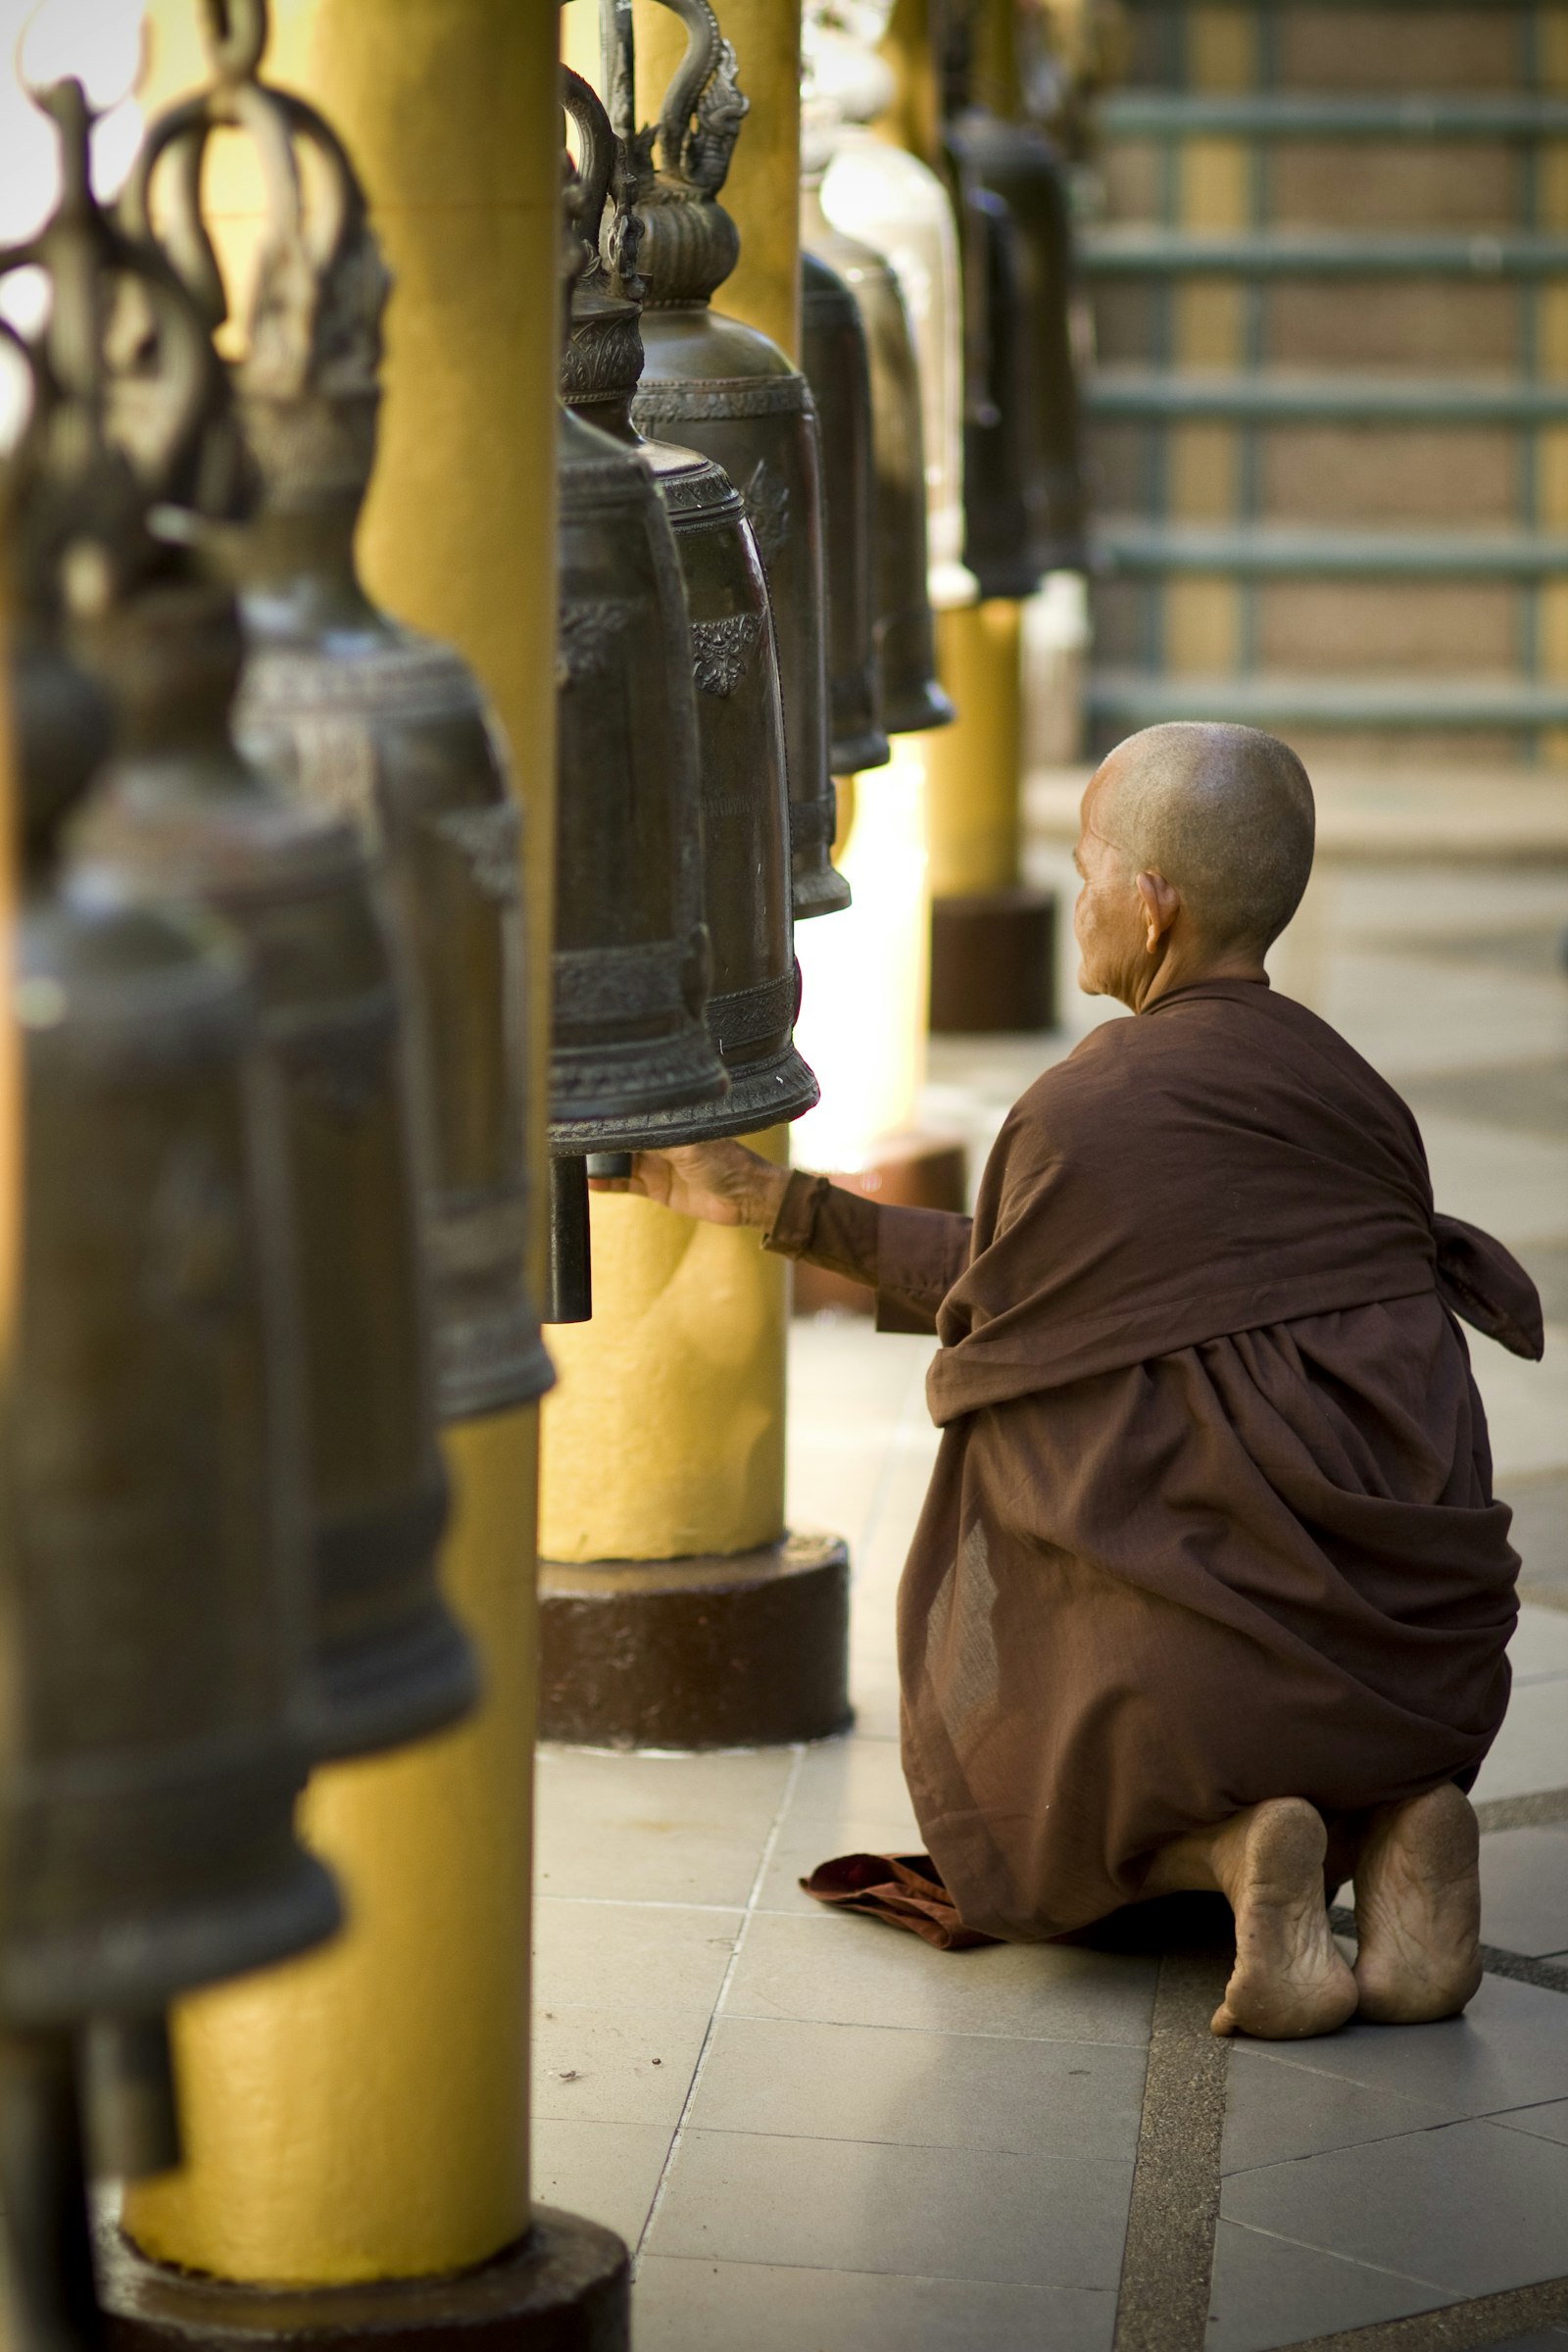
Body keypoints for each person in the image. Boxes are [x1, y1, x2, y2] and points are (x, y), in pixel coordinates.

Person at [592, 723, 1543, 2040]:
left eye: (1087, 864)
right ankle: (1397, 1826)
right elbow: (1074, 1285)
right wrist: (775, 1204)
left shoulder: (1082, 1112)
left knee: (1021, 1443)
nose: (1078, 894)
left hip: (1200, 1699)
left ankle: (1235, 1854)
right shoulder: (1356, 1095)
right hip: (1418, 1672)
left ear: (1151, 910)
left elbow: (1020, 1314)